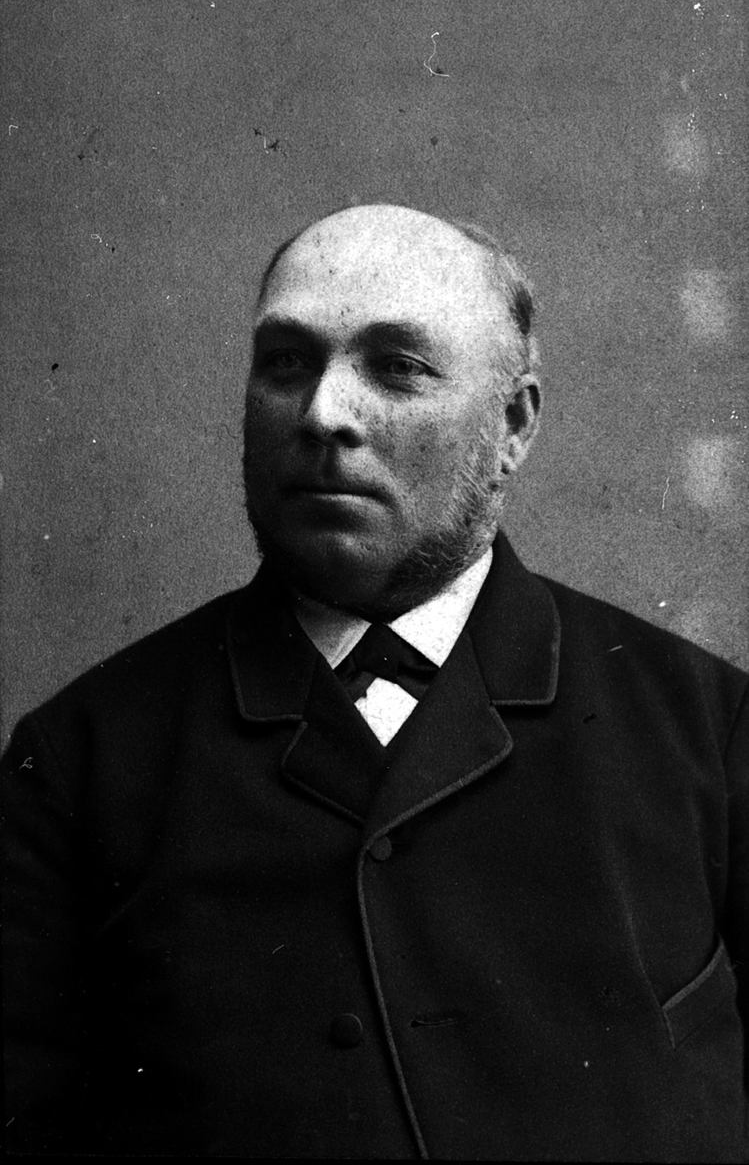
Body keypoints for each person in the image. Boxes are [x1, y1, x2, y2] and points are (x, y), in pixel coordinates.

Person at [2, 203, 747, 1162]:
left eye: (395, 367)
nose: (322, 414)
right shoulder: (77, 758)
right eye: (286, 363)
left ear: (513, 423)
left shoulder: (707, 726)